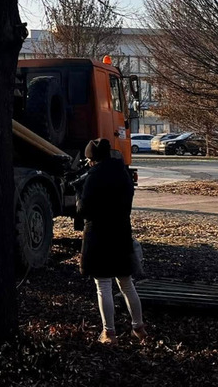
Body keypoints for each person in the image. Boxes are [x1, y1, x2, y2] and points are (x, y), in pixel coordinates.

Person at [77, 138, 146, 344]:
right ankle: (139, 327)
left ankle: (109, 333)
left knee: (103, 285)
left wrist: (79, 194)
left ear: (92, 159)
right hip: (121, 232)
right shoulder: (123, 174)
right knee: (126, 283)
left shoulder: (93, 177)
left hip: (98, 235)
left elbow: (83, 210)